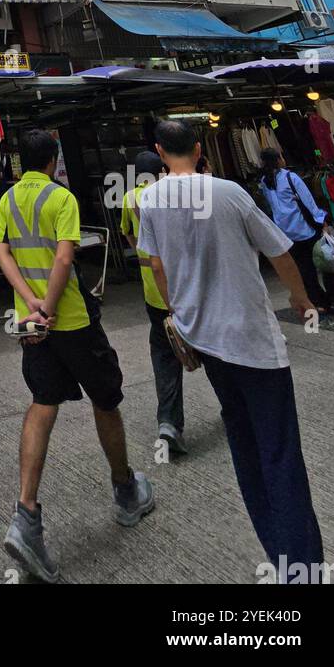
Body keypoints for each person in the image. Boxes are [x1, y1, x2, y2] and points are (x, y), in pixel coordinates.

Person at [138, 118, 324, 583]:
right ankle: (300, 567)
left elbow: (156, 265)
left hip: (206, 340)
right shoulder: (229, 193)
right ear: (200, 149)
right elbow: (278, 250)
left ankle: (280, 555)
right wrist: (301, 298)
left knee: (244, 443)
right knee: (279, 450)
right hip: (252, 342)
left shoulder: (151, 199)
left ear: (160, 151)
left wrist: (179, 311)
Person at [0, 129, 154, 584]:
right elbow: (65, 259)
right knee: (106, 399)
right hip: (72, 321)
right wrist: (50, 301)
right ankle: (126, 491)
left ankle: (26, 514)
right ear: (53, 159)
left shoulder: (8, 200)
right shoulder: (60, 198)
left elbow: (1, 251)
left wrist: (30, 302)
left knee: (43, 402)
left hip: (33, 324)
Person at [120, 150, 187, 455]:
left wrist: (142, 254)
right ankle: (237, 407)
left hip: (153, 289)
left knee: (164, 354)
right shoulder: (175, 192)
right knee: (211, 350)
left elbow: (128, 235)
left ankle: (169, 422)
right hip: (185, 283)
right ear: (160, 169)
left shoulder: (129, 199)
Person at [259, 149, 334, 315]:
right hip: (306, 229)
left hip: (287, 233)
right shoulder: (290, 177)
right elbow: (308, 202)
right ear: (278, 159)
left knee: (305, 269)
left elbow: (271, 206)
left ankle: (318, 302)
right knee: (329, 262)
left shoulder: (265, 181)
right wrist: (321, 221)